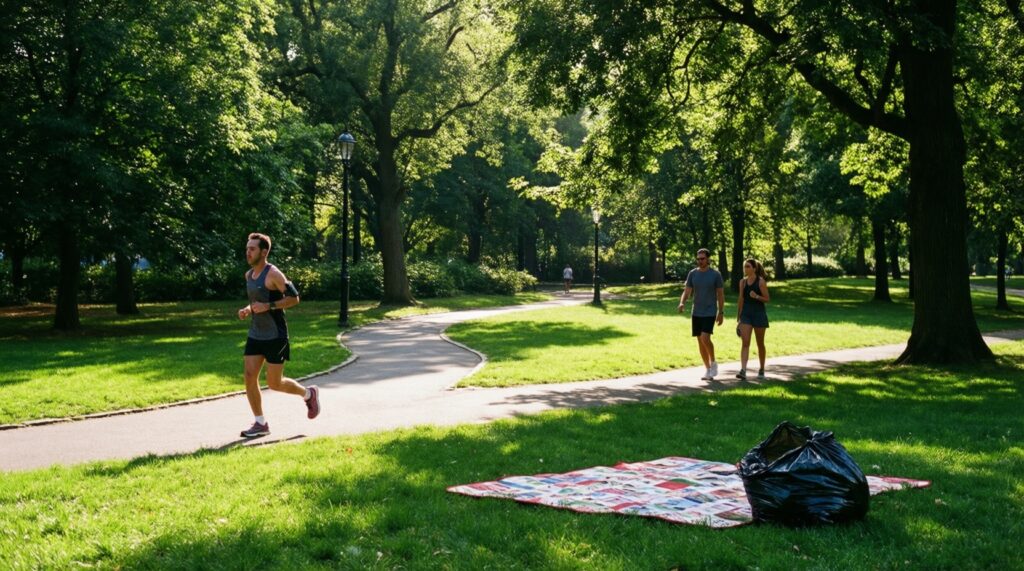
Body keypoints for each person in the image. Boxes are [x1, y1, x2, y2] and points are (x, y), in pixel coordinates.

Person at [237, 232, 321, 438]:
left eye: (252, 249)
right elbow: (257, 301)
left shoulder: (274, 274)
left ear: (264, 252)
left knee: (275, 383)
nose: (248, 252)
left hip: (276, 335)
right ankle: (260, 423)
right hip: (256, 333)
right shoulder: (249, 276)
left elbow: (294, 298)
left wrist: (268, 306)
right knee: (249, 376)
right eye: (247, 248)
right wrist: (248, 309)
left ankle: (309, 394)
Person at [678, 248, 725, 380]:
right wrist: (682, 302)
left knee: (705, 338)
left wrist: (721, 312)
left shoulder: (715, 275)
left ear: (708, 259)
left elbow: (720, 295)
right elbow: (687, 291)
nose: (700, 261)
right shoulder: (692, 274)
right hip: (696, 311)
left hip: (710, 311)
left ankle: (713, 362)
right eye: (698, 259)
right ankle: (707, 369)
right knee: (700, 341)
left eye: (702, 259)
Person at [735, 258, 771, 381]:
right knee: (745, 343)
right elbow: (741, 299)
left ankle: (761, 369)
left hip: (759, 314)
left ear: (754, 269)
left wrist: (756, 296)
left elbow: (767, 299)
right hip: (746, 315)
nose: (746, 269)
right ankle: (743, 370)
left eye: (748, 266)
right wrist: (738, 318)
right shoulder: (742, 282)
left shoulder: (760, 282)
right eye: (745, 266)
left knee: (760, 343)